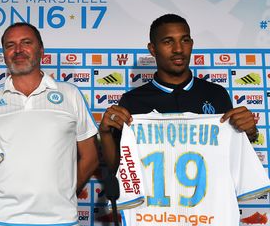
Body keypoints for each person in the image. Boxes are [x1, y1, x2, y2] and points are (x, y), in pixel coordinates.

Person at [0, 22, 99, 226]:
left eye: (26, 43)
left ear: (41, 50)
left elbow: (90, 157)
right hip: (1, 221)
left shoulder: (70, 94)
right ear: (4, 53)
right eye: (10, 45)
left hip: (61, 222)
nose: (18, 50)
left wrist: (63, 192)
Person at [99, 13, 259, 171]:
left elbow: (233, 156)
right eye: (168, 42)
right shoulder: (132, 101)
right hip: (154, 197)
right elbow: (119, 168)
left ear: (191, 44)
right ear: (153, 49)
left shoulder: (216, 94)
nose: (178, 49)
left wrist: (250, 133)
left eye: (185, 40)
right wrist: (105, 133)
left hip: (210, 196)